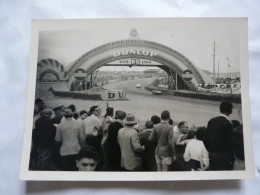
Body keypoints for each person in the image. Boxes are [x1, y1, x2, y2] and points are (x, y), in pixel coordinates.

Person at [205, 101, 234, 170]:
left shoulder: (212, 120)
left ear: (220, 109)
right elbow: (229, 142)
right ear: (230, 111)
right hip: (222, 155)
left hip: (211, 152)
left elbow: (206, 137)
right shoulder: (229, 124)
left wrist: (209, 149)